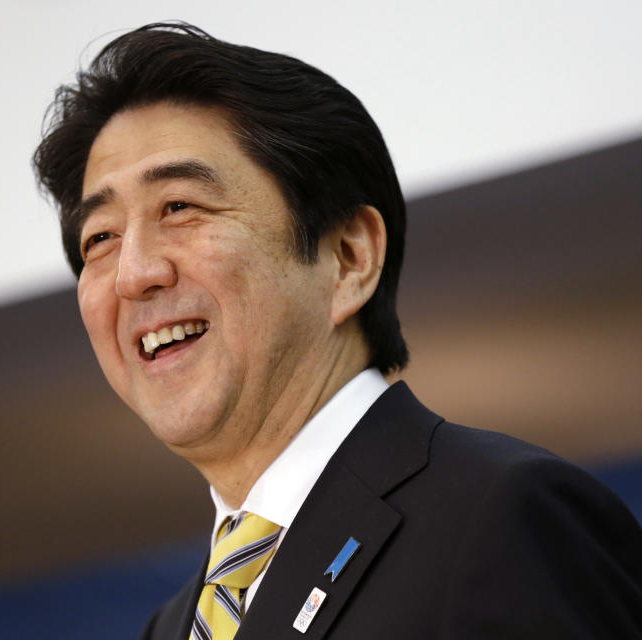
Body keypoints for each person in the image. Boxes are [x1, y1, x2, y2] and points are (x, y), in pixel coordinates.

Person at [32, 22, 642, 639]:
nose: (134, 273)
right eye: (100, 238)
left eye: (180, 206)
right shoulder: (169, 628)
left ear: (349, 258)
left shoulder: (503, 517)